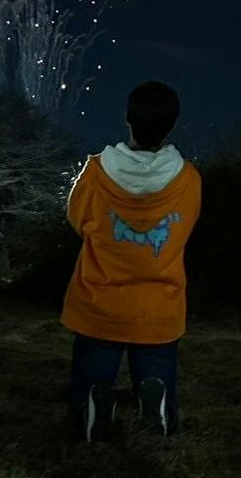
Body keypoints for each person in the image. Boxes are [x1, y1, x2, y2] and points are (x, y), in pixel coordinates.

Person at [63, 81, 201, 441]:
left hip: (100, 301)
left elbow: (78, 220)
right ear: (172, 124)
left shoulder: (95, 171)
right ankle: (157, 404)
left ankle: (91, 407)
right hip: (159, 305)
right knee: (157, 366)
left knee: (92, 371)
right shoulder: (189, 179)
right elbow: (185, 228)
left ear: (128, 117)